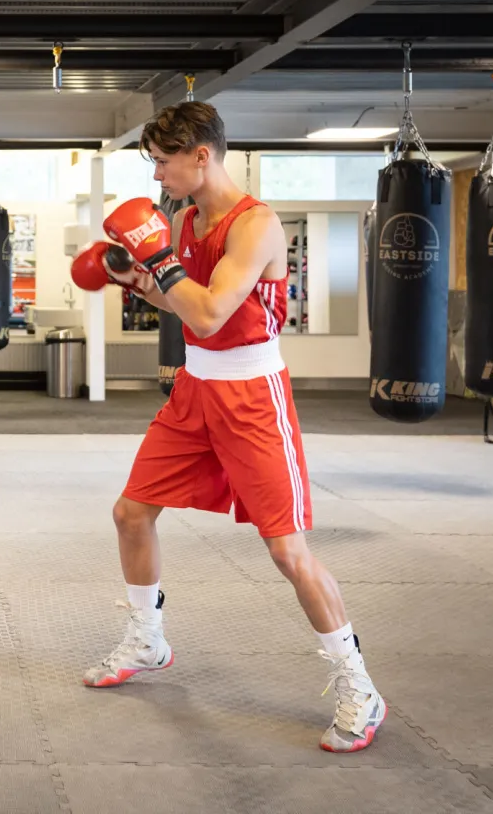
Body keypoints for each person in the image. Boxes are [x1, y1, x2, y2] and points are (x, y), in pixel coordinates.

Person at [71, 101, 385, 753]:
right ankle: (148, 639)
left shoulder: (257, 225)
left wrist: (158, 261)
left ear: (201, 155)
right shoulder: (186, 219)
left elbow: (211, 312)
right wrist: (135, 277)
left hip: (252, 396)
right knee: (132, 513)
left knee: (287, 552)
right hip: (195, 390)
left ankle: (359, 686)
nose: (158, 176)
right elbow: (179, 305)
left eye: (163, 162)